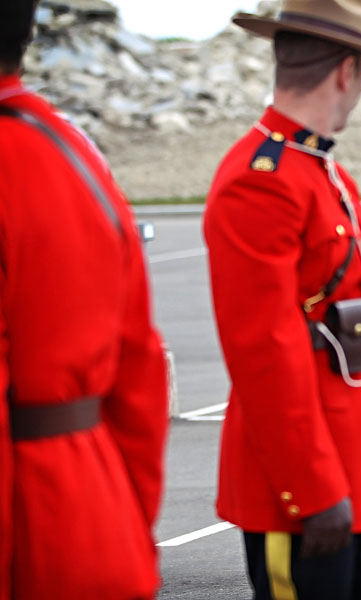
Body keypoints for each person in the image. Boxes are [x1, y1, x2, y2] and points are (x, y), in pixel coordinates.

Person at [203, 2, 361, 598]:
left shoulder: (318, 169)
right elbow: (264, 353)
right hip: (304, 488)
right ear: (346, 72)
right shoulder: (261, 178)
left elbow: (357, 336)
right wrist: (312, 489)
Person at [0, 1, 170, 598]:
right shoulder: (74, 153)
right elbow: (141, 373)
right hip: (97, 524)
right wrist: (127, 523)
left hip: (25, 539)